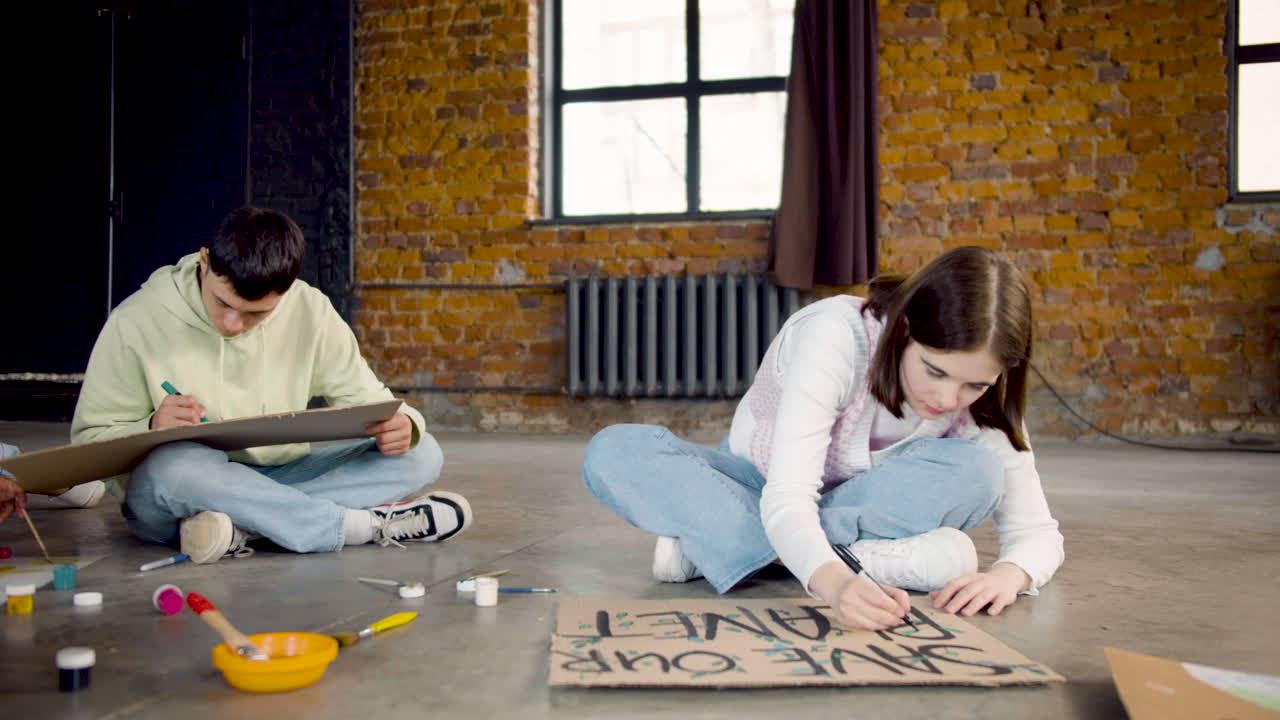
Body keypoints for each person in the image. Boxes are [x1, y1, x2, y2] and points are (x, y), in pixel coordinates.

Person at [582, 246, 1063, 631]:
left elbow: (1035, 532)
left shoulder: (984, 401)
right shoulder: (835, 334)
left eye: (974, 384)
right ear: (904, 328)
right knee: (618, 452)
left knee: (978, 471)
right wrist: (834, 582)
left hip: (858, 504)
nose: (947, 397)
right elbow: (788, 495)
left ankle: (723, 549)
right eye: (934, 370)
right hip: (759, 483)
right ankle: (872, 560)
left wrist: (1010, 574)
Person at [71, 206, 470, 564]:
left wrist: (403, 425)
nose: (232, 325)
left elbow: (371, 401)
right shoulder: (136, 319)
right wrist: (152, 428)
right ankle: (358, 527)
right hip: (182, 495)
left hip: (281, 476)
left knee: (422, 453)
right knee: (174, 467)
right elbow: (88, 445)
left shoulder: (310, 309)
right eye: (223, 303)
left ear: (289, 287)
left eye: (255, 314)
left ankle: (243, 530)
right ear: (205, 262)